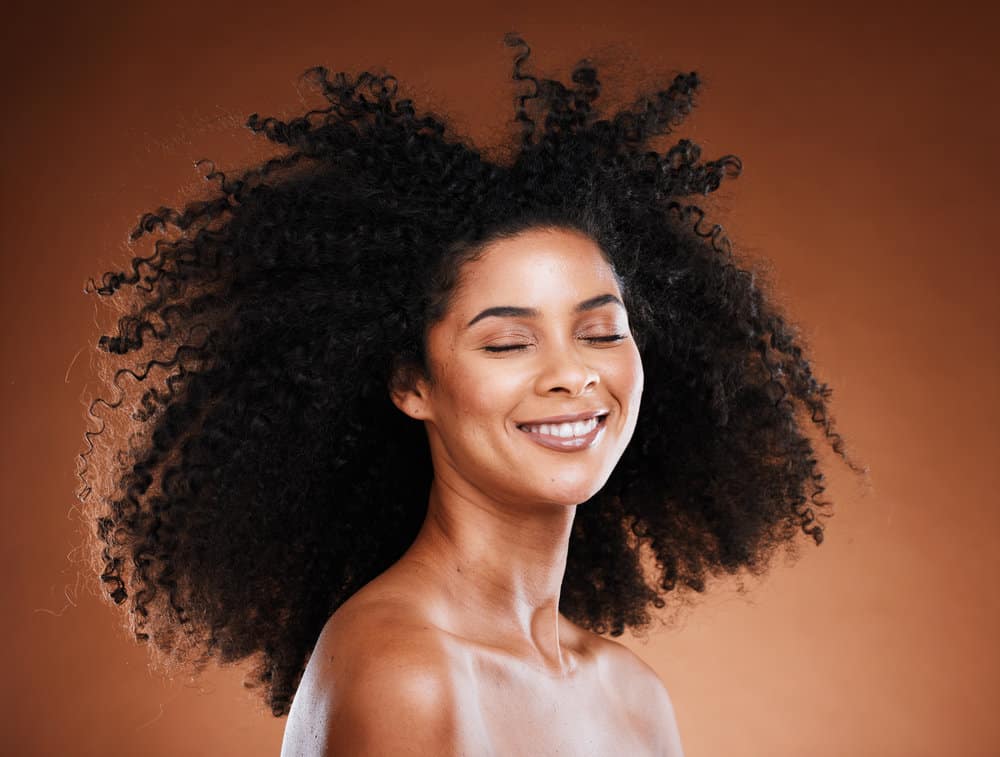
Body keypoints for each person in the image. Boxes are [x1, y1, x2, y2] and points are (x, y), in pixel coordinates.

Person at [77, 33, 866, 755]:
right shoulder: (401, 671)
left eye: (599, 331)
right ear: (411, 381)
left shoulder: (633, 697)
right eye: (507, 341)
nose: (571, 373)